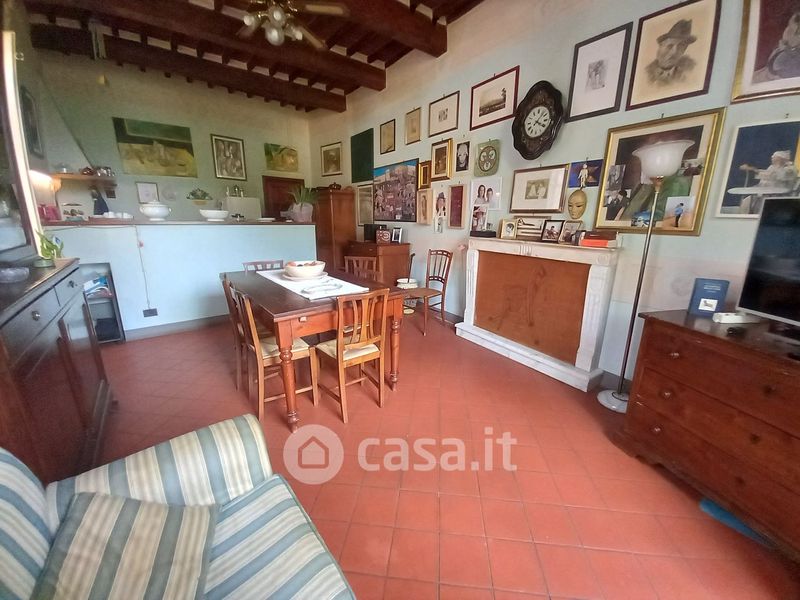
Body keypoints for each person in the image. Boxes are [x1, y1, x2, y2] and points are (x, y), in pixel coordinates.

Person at [646, 19, 697, 85]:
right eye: (670, 46)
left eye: (680, 47)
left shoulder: (688, 74)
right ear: (661, 46)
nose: (674, 52)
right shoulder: (646, 72)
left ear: (684, 50)